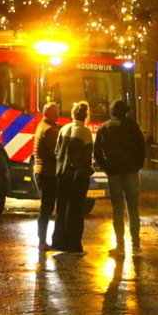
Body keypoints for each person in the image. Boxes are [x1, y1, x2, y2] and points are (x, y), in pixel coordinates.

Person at [93, 99, 146, 256]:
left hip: (114, 173)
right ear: (126, 111)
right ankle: (136, 244)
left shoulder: (105, 128)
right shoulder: (132, 127)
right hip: (131, 172)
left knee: (117, 209)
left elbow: (97, 152)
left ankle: (120, 245)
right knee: (133, 208)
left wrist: (106, 167)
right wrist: (138, 165)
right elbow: (142, 148)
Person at [51, 101, 94, 255]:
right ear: (86, 115)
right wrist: (87, 171)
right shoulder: (85, 132)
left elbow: (57, 151)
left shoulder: (63, 129)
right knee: (75, 210)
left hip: (61, 175)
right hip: (77, 177)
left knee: (61, 209)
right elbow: (87, 157)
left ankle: (58, 241)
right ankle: (74, 245)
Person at [32, 102, 61, 251]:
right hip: (47, 173)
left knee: (46, 207)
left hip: (41, 171)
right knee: (47, 208)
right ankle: (42, 241)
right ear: (46, 114)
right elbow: (56, 153)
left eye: (57, 112)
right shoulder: (49, 131)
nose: (57, 115)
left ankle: (42, 240)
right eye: (54, 112)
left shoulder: (41, 126)